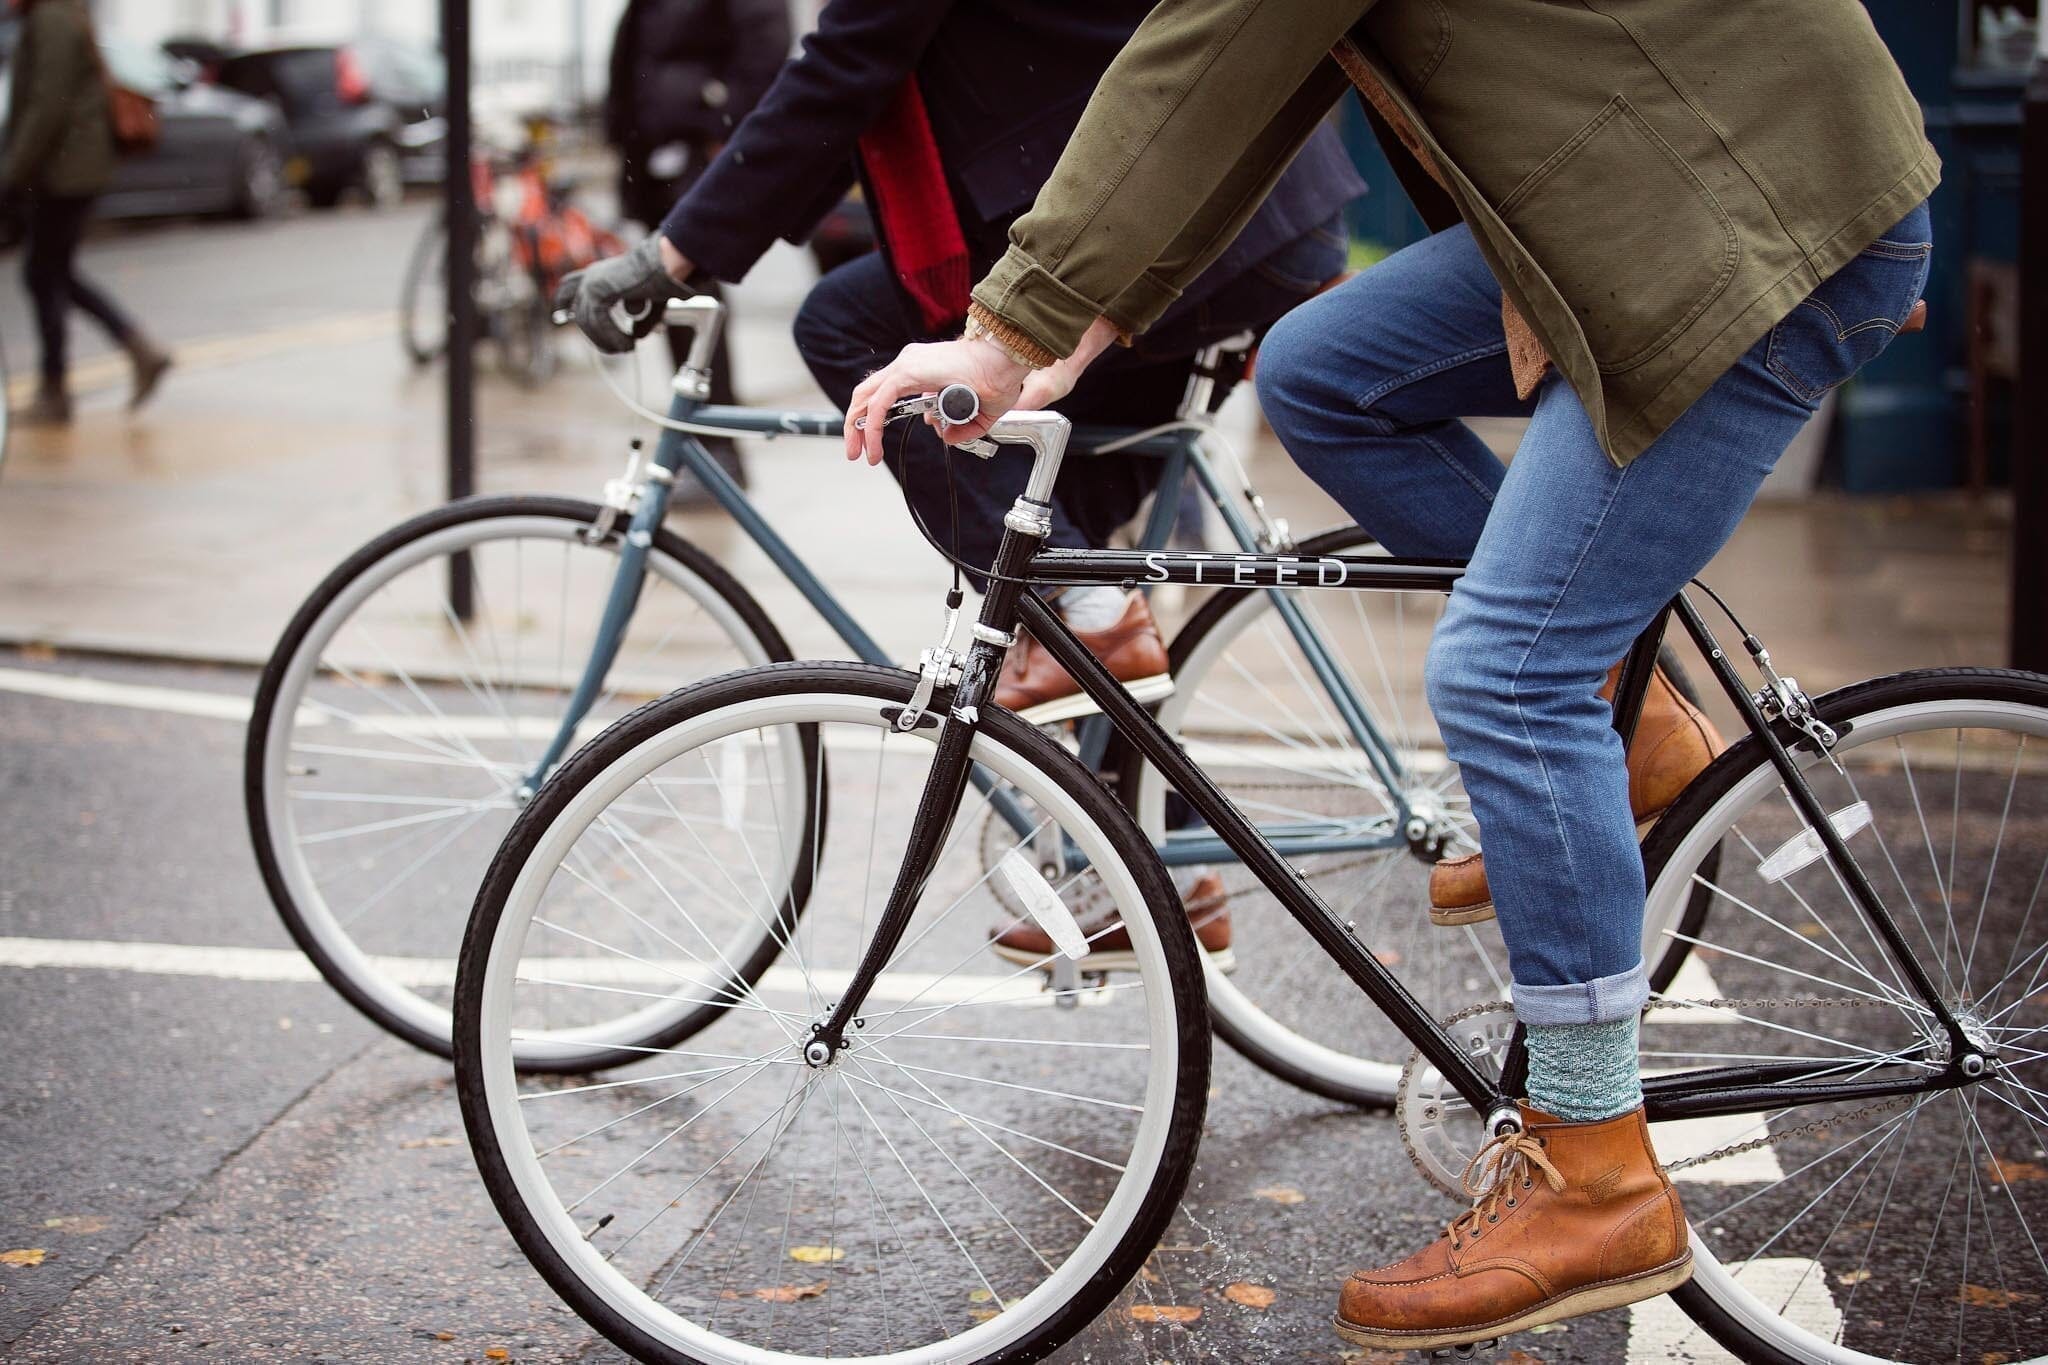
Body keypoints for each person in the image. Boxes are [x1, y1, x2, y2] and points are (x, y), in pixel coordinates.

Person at [844, 0, 1937, 1349]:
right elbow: (1253, 78)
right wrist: (1059, 335)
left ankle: (1596, 1168)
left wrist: (1009, 329)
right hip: (1659, 175)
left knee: (1505, 675)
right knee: (1326, 371)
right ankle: (1634, 727)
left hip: (1732, 206)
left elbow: (1207, 50)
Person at [559, 0, 1363, 958]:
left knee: (847, 330)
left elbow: (841, 70)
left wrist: (669, 256)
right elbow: (847, 96)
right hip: (1228, 213)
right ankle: (1160, 873)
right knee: (1062, 544)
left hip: (1176, 227)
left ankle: (1086, 617)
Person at [604, 0, 791, 492]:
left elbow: (766, 50)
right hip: (655, 157)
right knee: (674, 302)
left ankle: (718, 451)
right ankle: (698, 445)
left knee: (697, 297)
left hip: (700, 155)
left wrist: (722, 128)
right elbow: (633, 57)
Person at [2, 0, 171, 426]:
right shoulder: (61, 13)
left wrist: (10, 175)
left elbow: (46, 105)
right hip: (70, 167)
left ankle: (56, 390)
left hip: (66, 170)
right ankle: (137, 350)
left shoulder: (53, 18)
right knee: (50, 271)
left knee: (44, 273)